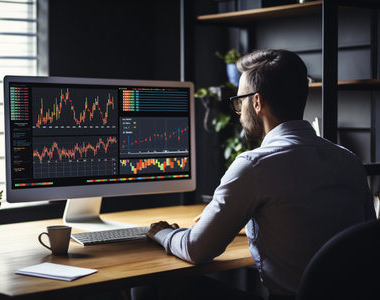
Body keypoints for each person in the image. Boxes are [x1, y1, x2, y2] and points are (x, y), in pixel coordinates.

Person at [145, 49, 376, 299]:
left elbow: (196, 249)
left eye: (240, 100)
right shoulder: (348, 160)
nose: (239, 110)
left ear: (257, 102)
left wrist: (162, 232)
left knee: (152, 285)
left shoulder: (254, 165)